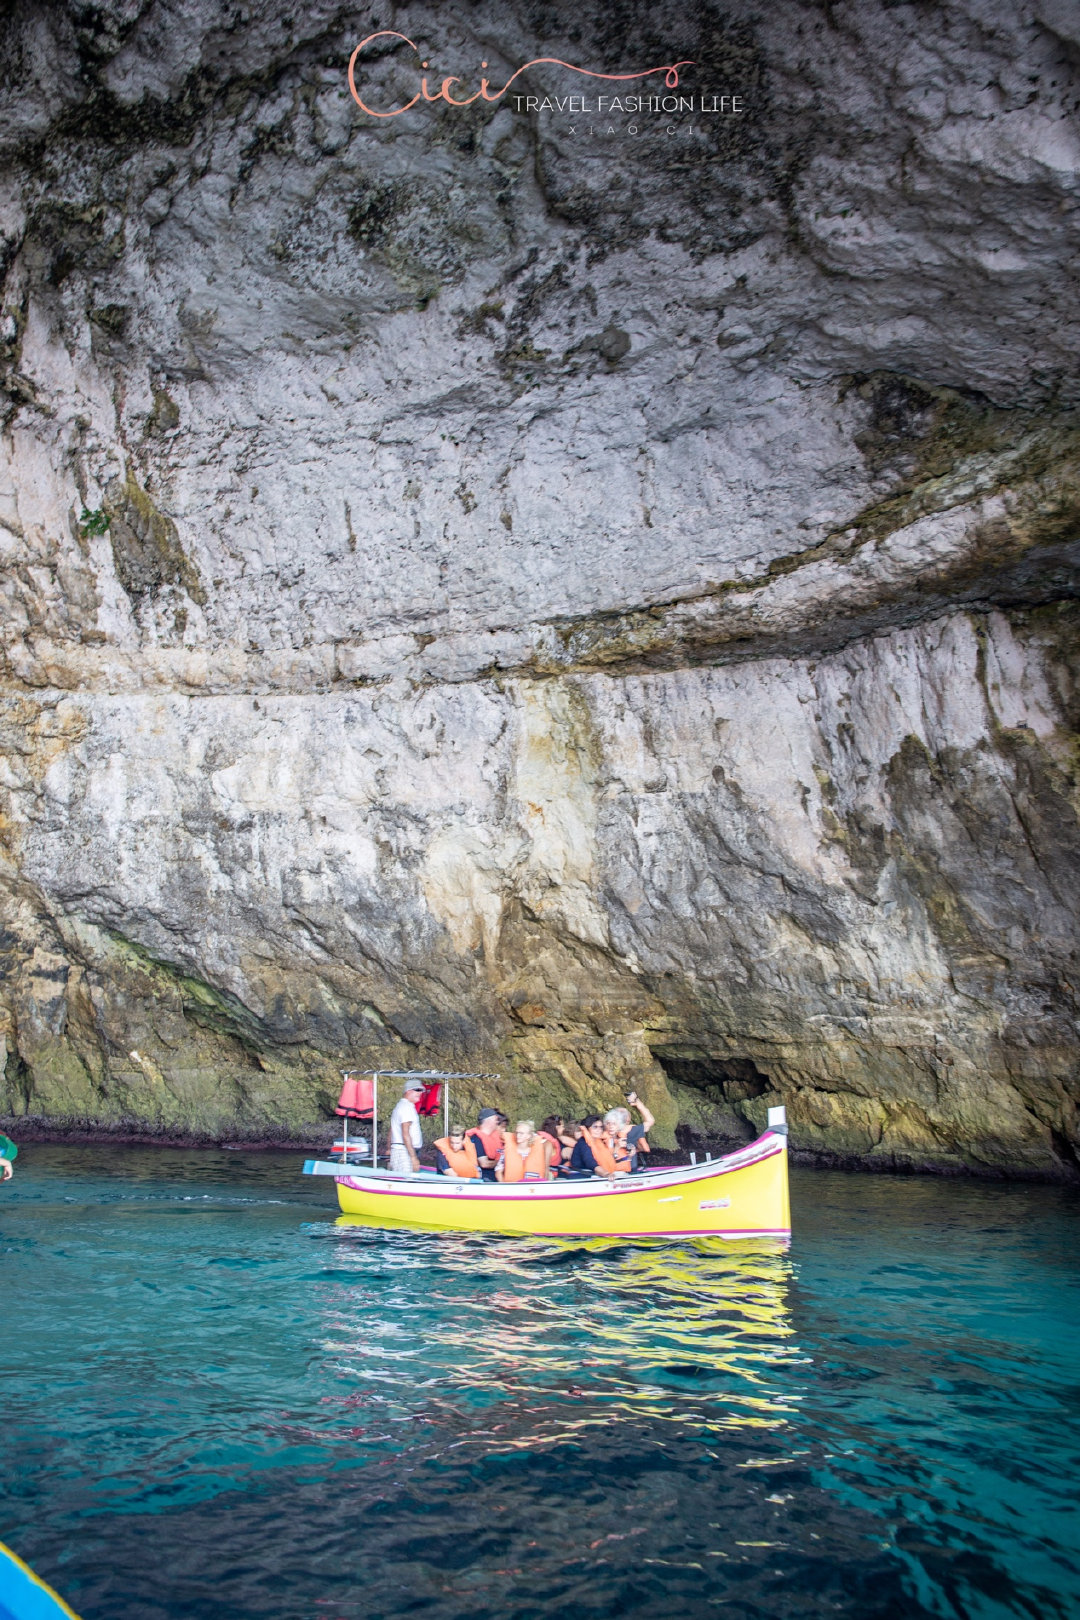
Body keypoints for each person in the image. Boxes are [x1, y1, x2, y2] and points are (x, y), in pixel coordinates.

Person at [387, 1077, 425, 1174]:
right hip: (404, 1151)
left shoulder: (402, 1105)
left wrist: (388, 1149)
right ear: (408, 1091)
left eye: (421, 1090)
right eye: (417, 1090)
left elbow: (391, 1129)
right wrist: (413, 1157)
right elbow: (405, 1133)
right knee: (406, 1180)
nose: (420, 1093)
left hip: (401, 1150)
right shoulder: (406, 1108)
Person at [467, 1108, 504, 1181]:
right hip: (483, 1177)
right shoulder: (476, 1138)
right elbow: (484, 1164)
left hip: (497, 1173)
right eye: (496, 1119)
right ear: (489, 1121)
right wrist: (502, 1162)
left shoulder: (497, 1137)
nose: (497, 1122)